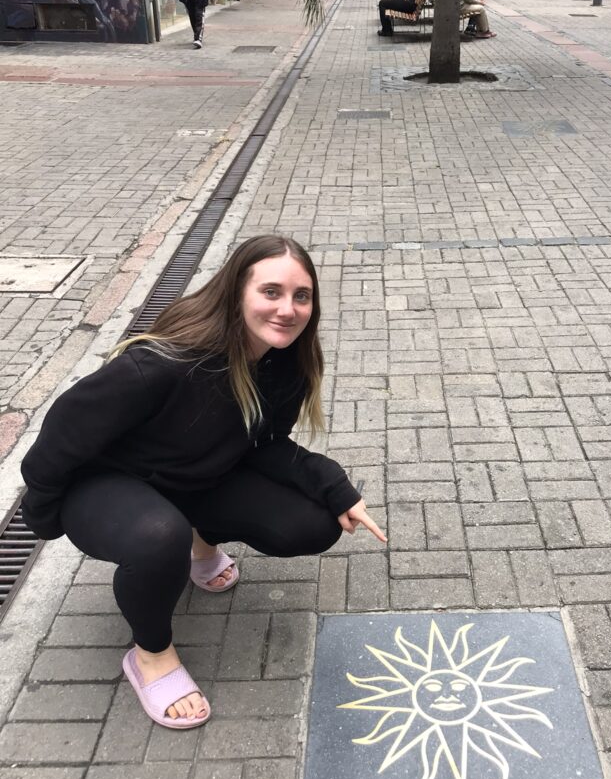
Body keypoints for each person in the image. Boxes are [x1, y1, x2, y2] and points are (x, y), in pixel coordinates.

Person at [21, 235, 387, 730]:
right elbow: (63, 433)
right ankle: (150, 654)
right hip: (106, 483)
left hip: (190, 479)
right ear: (237, 292)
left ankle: (197, 542)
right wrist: (43, 516)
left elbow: (266, 444)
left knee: (313, 523)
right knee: (157, 536)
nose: (288, 309)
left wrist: (334, 485)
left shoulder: (284, 364)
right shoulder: (164, 362)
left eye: (302, 296)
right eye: (271, 292)